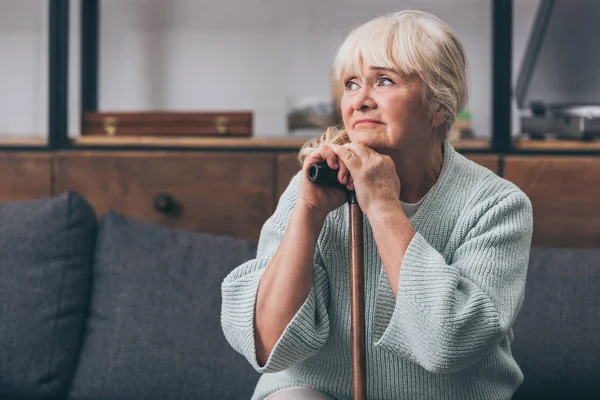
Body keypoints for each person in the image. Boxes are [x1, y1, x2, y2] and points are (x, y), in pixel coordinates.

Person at [221, 9, 533, 400]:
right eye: (351, 85)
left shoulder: (497, 206)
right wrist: (309, 213)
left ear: (439, 105)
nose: (360, 101)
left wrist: (384, 206)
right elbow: (268, 345)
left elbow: (450, 341)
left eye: (384, 81)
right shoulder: (311, 188)